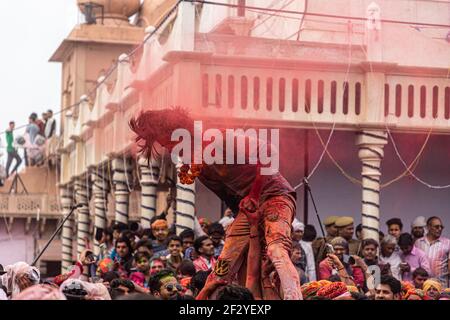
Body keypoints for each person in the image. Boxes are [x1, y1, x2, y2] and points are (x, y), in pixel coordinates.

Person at [415, 216, 450, 288]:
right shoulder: (418, 243)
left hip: (441, 286)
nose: (440, 229)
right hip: (423, 285)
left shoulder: (448, 243)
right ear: (428, 227)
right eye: (437, 227)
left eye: (441, 227)